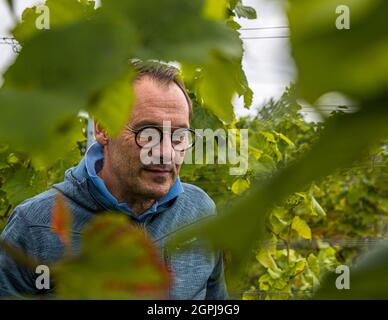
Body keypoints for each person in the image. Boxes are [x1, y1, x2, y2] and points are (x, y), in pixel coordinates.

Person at [0, 60, 228, 299]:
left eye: (179, 135)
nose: (166, 153)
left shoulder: (200, 212)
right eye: (147, 133)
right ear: (103, 129)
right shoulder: (35, 226)